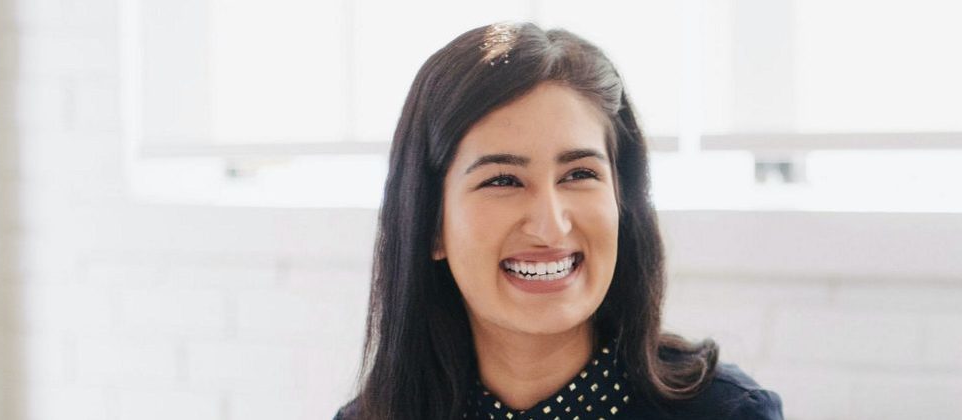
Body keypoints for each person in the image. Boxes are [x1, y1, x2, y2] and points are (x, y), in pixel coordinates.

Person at [334, 22, 783, 420]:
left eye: (579, 174)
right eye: (503, 180)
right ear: (431, 224)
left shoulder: (727, 413)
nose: (551, 227)